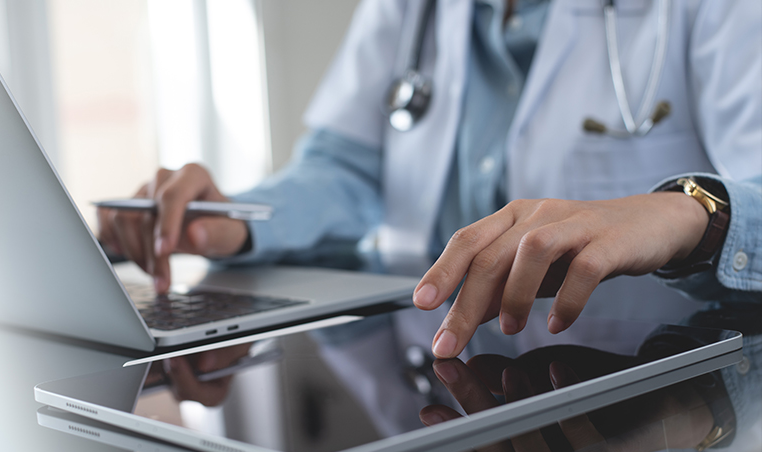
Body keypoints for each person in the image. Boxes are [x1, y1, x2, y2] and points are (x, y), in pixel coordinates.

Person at [99, 0, 761, 360]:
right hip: (437, 363)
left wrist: (691, 214)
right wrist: (238, 219)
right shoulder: (410, 10)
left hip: (632, 368)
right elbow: (347, 168)